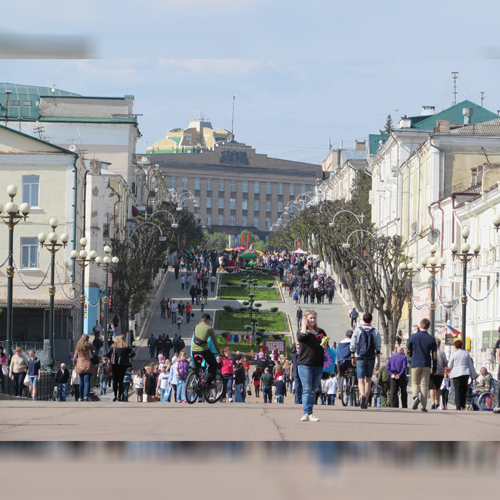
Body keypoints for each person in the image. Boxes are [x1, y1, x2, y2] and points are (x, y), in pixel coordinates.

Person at [297, 309, 326, 421]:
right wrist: (304, 324)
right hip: (304, 363)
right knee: (307, 389)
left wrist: (325, 344)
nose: (313, 320)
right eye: (310, 318)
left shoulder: (320, 332)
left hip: (318, 363)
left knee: (313, 390)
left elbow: (325, 347)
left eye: (314, 318)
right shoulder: (301, 331)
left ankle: (310, 413)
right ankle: (306, 413)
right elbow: (301, 337)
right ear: (306, 319)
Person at [350, 312, 381, 409]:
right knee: (368, 380)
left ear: (363, 320)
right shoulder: (375, 331)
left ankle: (362, 394)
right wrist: (378, 361)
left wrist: (352, 357)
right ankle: (366, 400)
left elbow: (352, 344)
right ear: (371, 320)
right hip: (371, 357)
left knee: (360, 380)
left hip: (360, 357)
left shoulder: (358, 330)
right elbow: (378, 347)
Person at [406, 318, 437, 412]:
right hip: (426, 363)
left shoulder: (413, 337)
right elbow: (434, 355)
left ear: (420, 325)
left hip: (415, 362)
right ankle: (423, 406)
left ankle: (416, 397)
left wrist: (411, 355)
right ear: (429, 327)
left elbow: (407, 349)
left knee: (415, 382)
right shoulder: (431, 338)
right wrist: (434, 367)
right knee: (424, 385)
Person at [191, 313, 220, 386]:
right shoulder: (209, 328)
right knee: (213, 364)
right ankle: (207, 382)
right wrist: (219, 352)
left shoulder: (196, 326)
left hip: (194, 350)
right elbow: (215, 342)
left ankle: (196, 383)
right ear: (207, 320)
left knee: (197, 368)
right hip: (203, 350)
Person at [448, 339, 477, 410]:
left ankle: (458, 405)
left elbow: (449, 365)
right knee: (464, 388)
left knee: (457, 389)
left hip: (456, 373)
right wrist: (473, 374)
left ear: (455, 346)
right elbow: (470, 364)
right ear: (462, 345)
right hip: (465, 372)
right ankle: (462, 404)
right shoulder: (466, 353)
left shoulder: (453, 354)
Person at [106, 334, 136, 402]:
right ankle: (120, 395)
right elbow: (133, 353)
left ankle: (115, 395)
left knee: (115, 380)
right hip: (123, 364)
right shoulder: (126, 346)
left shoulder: (113, 346)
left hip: (114, 364)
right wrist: (127, 357)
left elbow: (107, 353)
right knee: (121, 380)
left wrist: (110, 359)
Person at [75, 334, 97, 402]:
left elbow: (75, 356)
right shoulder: (89, 345)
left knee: (81, 381)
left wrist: (75, 365)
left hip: (80, 364)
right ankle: (86, 396)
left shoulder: (78, 346)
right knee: (87, 381)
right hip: (88, 364)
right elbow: (94, 353)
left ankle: (81, 397)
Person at [429, 338, 448, 410]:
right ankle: (437, 402)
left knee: (431, 387)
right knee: (438, 387)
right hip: (440, 372)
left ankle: (432, 402)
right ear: (439, 344)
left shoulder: (430, 352)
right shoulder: (442, 353)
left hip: (431, 371)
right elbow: (445, 363)